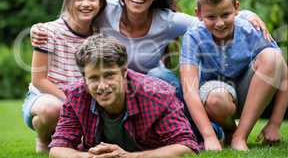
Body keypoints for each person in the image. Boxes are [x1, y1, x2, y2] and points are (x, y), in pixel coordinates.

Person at [31, 0, 270, 100]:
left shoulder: (167, 20)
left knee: (159, 75)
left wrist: (245, 14)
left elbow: (210, 20)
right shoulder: (106, 9)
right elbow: (74, 13)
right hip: (115, 84)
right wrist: (40, 29)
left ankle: (194, 128)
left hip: (151, 85)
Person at [180, 0, 288, 151]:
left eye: (225, 14)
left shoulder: (251, 29)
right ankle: (230, 130)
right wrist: (209, 136)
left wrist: (275, 124)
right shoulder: (193, 36)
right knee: (216, 99)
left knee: (273, 57)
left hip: (251, 92)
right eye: (211, 17)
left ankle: (240, 137)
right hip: (216, 94)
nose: (219, 23)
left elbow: (285, 75)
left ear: (236, 8)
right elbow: (189, 89)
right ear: (199, 14)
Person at [49, 34, 200, 158]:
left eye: (109, 75)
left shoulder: (158, 95)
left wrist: (129, 157)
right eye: (94, 78)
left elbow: (187, 147)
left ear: (124, 72)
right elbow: (57, 149)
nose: (102, 86)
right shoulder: (76, 96)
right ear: (84, 79)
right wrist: (89, 157)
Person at [22, 0, 107, 152]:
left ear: (100, 3)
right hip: (45, 98)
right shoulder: (47, 31)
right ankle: (44, 138)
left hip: (83, 101)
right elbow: (39, 80)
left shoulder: (100, 36)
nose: (85, 3)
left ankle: (69, 138)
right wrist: (72, 102)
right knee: (52, 109)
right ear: (69, 1)